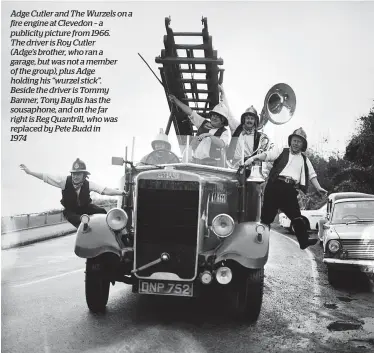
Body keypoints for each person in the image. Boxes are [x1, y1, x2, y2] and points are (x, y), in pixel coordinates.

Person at [244, 128, 327, 250]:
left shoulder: (304, 159)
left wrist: (319, 187)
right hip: (274, 186)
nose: (296, 143)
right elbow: (268, 155)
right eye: (294, 140)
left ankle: (303, 241)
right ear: (290, 141)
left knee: (296, 216)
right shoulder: (282, 150)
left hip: (289, 190)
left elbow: (312, 175)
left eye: (299, 142)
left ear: (303, 144)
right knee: (266, 218)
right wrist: (253, 158)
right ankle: (259, 241)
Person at [20, 158, 126, 228]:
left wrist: (122, 192)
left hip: (86, 208)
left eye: (78, 174)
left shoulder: (88, 184)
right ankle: (85, 233)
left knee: (102, 212)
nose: (75, 176)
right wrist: (30, 172)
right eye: (73, 174)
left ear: (84, 175)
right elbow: (46, 177)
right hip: (71, 211)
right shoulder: (64, 181)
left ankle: (115, 233)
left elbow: (105, 190)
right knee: (81, 221)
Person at [168, 94, 230, 166]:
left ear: (223, 121)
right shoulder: (203, 122)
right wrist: (175, 100)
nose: (214, 118)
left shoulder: (224, 131)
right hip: (195, 162)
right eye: (213, 115)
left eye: (218, 116)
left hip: (211, 165)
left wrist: (209, 135)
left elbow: (222, 144)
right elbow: (190, 111)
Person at [219, 85, 269, 165]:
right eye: (248, 118)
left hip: (250, 166)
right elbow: (227, 112)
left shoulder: (259, 137)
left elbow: (263, 154)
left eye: (252, 119)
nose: (249, 120)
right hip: (234, 164)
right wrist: (223, 93)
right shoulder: (236, 127)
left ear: (255, 121)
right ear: (244, 119)